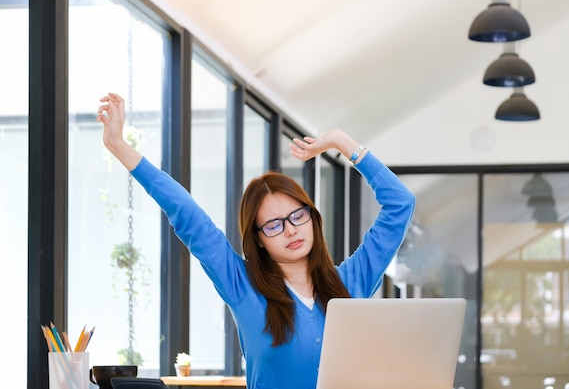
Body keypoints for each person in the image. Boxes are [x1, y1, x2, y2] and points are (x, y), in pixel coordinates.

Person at [97, 92, 415, 389]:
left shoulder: (350, 282)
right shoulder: (242, 285)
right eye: (274, 225)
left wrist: (340, 141)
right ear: (259, 239)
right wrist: (118, 145)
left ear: (313, 218)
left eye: (298, 215)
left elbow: (400, 204)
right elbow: (186, 213)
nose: (291, 229)